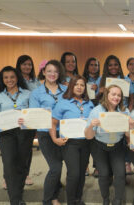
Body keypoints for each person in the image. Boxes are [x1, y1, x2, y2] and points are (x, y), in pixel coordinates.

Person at [84, 85, 134, 205]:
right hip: (99, 146)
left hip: (117, 146)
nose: (116, 97)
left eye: (119, 95)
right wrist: (91, 125)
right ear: (107, 95)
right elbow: (88, 136)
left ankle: (117, 200)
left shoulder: (124, 111)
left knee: (120, 174)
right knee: (104, 174)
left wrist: (130, 127)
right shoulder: (97, 111)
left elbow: (127, 134)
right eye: (113, 94)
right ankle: (105, 200)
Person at [0, 66, 32, 205]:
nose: (9, 80)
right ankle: (15, 200)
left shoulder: (27, 93)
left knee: (21, 165)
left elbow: (32, 114)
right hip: (6, 134)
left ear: (17, 78)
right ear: (2, 80)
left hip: (24, 132)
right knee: (9, 165)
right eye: (6, 77)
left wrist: (27, 118)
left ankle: (18, 196)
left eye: (12, 77)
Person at [50, 75, 94, 205]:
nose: (79, 87)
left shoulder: (89, 103)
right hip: (69, 144)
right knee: (74, 174)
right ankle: (71, 202)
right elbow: (52, 123)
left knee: (81, 173)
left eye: (82, 85)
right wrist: (54, 138)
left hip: (86, 143)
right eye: (76, 84)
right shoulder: (63, 102)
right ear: (71, 86)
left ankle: (77, 199)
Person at [28, 60, 67, 205]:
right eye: (49, 71)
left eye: (55, 71)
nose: (52, 74)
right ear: (43, 72)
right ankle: (47, 200)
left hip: (63, 132)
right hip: (45, 133)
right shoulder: (36, 92)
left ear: (59, 73)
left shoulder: (66, 89)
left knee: (59, 165)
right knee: (55, 167)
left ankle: (54, 196)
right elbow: (35, 114)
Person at [15, 54, 40, 186]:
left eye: (29, 64)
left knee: (26, 149)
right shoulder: (15, 80)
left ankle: (25, 175)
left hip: (31, 119)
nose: (27, 67)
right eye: (24, 64)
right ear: (19, 65)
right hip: (16, 118)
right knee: (13, 149)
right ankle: (7, 176)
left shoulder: (35, 81)